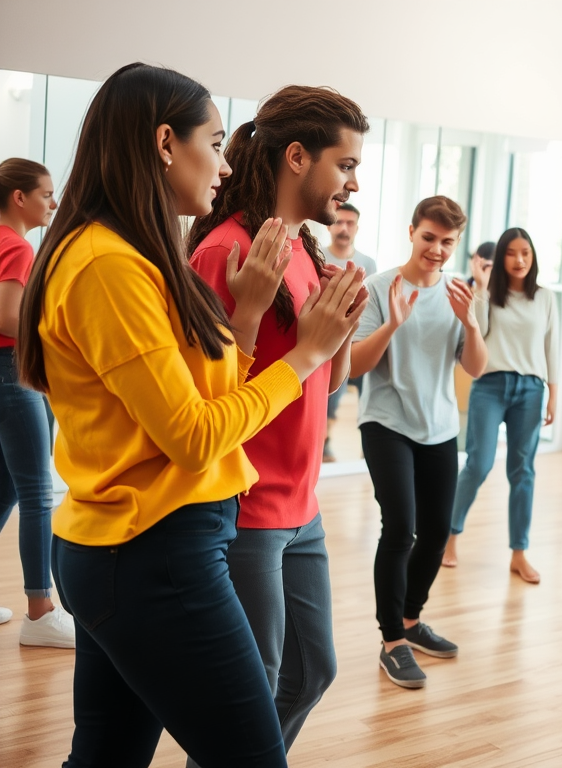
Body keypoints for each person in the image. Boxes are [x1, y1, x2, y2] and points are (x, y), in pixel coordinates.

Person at [18, 62, 363, 767]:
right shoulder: (108, 266)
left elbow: (197, 401)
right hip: (151, 551)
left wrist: (253, 325)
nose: (228, 161)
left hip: (154, 543)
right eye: (214, 141)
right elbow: (195, 435)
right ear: (166, 143)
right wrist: (302, 356)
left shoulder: (136, 256)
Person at [186, 84, 369, 761]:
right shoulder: (228, 251)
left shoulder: (304, 250)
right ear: (299, 157)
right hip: (245, 507)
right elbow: (202, 397)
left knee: (312, 670)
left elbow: (324, 380)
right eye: (345, 164)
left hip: (303, 503)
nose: (353, 180)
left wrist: (341, 331)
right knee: (250, 686)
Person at [350, 195, 487, 689]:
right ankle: (392, 641)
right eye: (429, 238)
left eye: (447, 241)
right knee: (401, 527)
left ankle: (411, 619)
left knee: (436, 530)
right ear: (412, 232)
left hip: (440, 427)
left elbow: (475, 366)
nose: (437, 249)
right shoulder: (377, 287)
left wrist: (471, 323)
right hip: (386, 422)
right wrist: (392, 323)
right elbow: (354, 368)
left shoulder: (459, 293)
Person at [443, 227, 559, 584]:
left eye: (526, 252)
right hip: (490, 385)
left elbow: (551, 346)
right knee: (477, 463)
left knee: (522, 471)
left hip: (530, 389)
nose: (520, 259)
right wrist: (480, 285)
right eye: (511, 253)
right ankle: (450, 538)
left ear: (533, 255)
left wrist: (553, 393)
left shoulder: (546, 297)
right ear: (502, 258)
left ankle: (519, 554)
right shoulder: (489, 293)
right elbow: (478, 328)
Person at [0, 157, 75, 648]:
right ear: (19, 198)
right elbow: (10, 318)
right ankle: (39, 610)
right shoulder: (17, 246)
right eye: (46, 194)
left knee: (5, 487)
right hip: (12, 373)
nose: (53, 202)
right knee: (38, 493)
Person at [322, 203, 377, 462]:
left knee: (373, 391)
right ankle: (325, 443)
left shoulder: (368, 263)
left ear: (357, 227)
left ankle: (371, 444)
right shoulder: (318, 256)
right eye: (339, 222)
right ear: (330, 225)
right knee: (331, 398)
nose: (344, 228)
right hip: (330, 342)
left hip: (360, 341)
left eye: (350, 223)